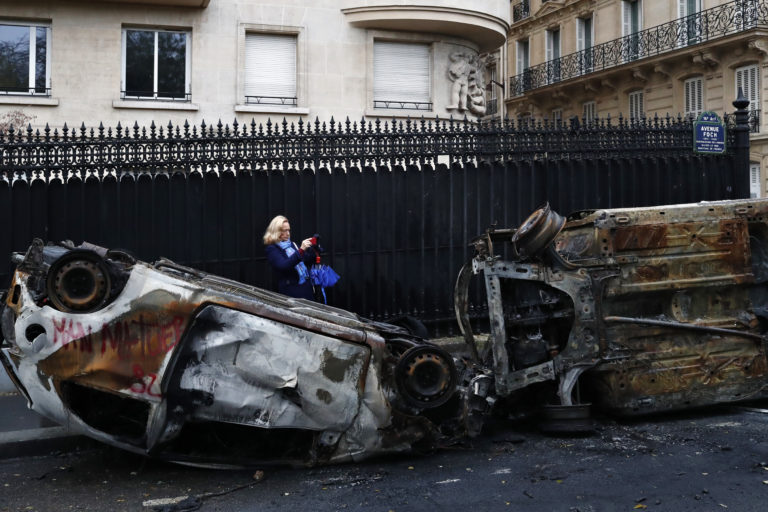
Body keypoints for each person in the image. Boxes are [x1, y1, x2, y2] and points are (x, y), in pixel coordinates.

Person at [263, 215, 317, 300]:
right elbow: (284, 265)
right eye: (284, 231)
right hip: (291, 293)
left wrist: (314, 249)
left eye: (288, 230)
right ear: (276, 231)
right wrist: (301, 250)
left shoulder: (292, 244)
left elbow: (307, 260)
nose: (288, 233)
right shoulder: (272, 249)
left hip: (306, 289)